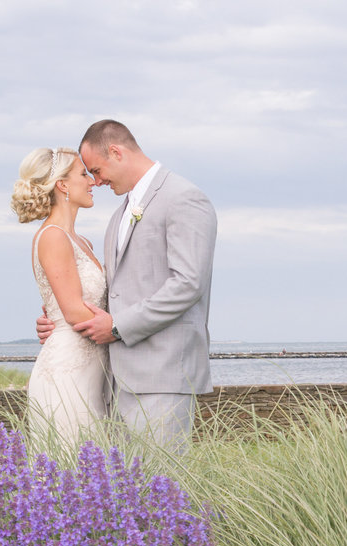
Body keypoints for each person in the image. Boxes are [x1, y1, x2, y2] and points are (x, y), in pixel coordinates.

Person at [38, 120, 216, 452]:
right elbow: (115, 291)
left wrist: (118, 326)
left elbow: (188, 283)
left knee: (163, 490)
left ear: (117, 152)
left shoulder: (184, 198)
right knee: (126, 496)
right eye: (88, 174)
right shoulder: (119, 215)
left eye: (97, 169)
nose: (96, 181)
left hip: (162, 375)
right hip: (115, 381)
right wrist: (61, 321)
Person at [12, 147, 108, 448]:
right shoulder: (53, 236)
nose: (92, 181)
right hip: (69, 368)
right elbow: (74, 312)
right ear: (62, 185)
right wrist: (125, 329)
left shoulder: (82, 241)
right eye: (84, 174)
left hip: (94, 366)